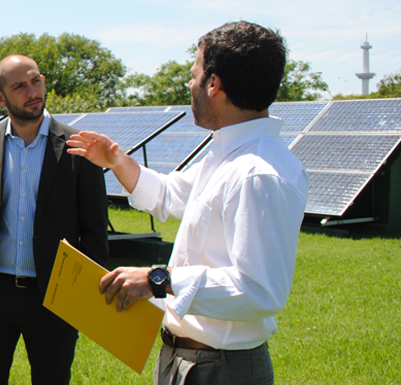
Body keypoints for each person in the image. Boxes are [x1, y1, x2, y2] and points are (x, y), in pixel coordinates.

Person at [67, 21, 308, 385]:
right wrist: (117, 161)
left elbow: (260, 290)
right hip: (189, 359)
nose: (189, 85)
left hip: (221, 369)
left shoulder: (258, 173)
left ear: (213, 84)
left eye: (194, 75)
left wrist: (158, 280)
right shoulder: (229, 155)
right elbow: (169, 195)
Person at [0, 54, 109, 385]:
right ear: (1, 98)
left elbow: (95, 232)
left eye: (36, 81)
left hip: (55, 297)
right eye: (20, 86)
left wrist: (80, 295)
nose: (32, 91)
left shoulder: (79, 147)